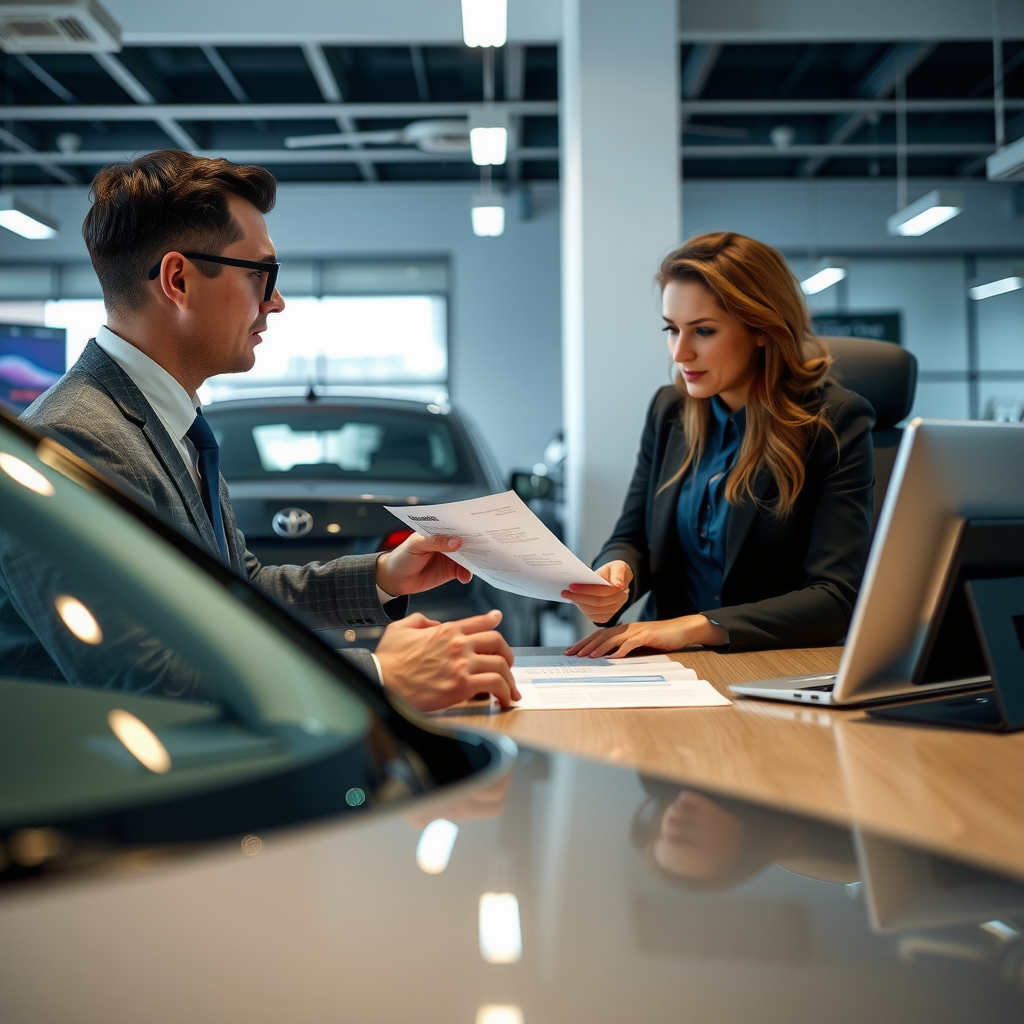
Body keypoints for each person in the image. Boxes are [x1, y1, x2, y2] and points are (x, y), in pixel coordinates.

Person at [12, 149, 519, 711]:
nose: (275, 301)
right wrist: (376, 673)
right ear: (178, 279)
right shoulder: (74, 441)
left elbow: (238, 596)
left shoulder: (165, 421)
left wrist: (383, 576)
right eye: (260, 274)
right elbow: (141, 676)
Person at [564, 231, 875, 656]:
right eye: (672, 329)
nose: (680, 353)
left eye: (703, 331)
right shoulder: (669, 409)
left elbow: (834, 599)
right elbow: (632, 538)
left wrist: (695, 627)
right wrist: (618, 575)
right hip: (665, 664)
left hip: (767, 664)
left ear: (762, 329)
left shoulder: (833, 422)